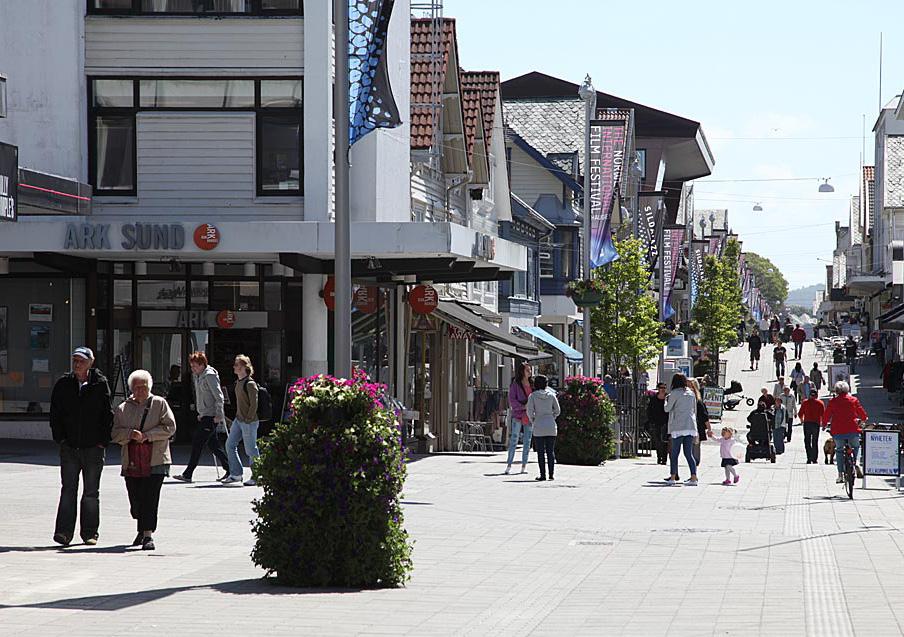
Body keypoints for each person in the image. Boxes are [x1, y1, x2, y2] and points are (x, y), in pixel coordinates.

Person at [49, 347, 113, 546]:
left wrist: (102, 441)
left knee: (91, 492)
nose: (77, 364)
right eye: (75, 360)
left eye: (81, 361)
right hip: (70, 447)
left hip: (93, 448)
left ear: (90, 363)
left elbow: (107, 415)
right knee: (68, 490)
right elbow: (55, 414)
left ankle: (90, 533)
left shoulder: (100, 384)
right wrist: (60, 438)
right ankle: (63, 533)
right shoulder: (63, 384)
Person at [110, 370, 176, 551]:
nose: (141, 390)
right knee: (136, 500)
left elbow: (170, 427)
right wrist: (130, 434)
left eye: (144, 387)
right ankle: (141, 526)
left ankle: (148, 535)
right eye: (137, 387)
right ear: (131, 389)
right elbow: (115, 434)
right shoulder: (123, 408)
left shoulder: (159, 404)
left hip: (156, 460)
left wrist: (147, 436)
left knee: (150, 498)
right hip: (131, 461)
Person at [173, 351, 230, 483]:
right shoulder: (198, 376)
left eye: (195, 366)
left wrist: (219, 415)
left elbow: (219, 396)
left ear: (202, 364)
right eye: (192, 366)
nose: (193, 369)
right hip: (205, 415)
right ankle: (230, 469)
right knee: (214, 445)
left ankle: (188, 474)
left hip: (211, 416)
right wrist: (201, 413)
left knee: (197, 443)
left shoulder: (209, 376)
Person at [223, 354, 261, 486]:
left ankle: (257, 475)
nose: (234, 367)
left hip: (248, 421)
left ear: (245, 367)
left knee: (251, 449)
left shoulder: (250, 384)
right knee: (230, 444)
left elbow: (254, 404)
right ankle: (236, 474)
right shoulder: (238, 383)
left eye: (237, 365)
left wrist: (248, 418)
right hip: (239, 420)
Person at [821, 380, 867, 482]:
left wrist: (824, 425)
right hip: (852, 428)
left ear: (836, 391)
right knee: (856, 446)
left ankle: (840, 475)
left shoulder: (833, 402)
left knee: (839, 450)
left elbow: (827, 415)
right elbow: (862, 413)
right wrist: (864, 419)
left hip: (838, 431)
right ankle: (857, 462)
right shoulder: (853, 400)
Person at [664, 373, 699, 486]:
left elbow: (667, 409)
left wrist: (666, 400)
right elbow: (694, 410)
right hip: (690, 425)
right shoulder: (691, 393)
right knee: (688, 453)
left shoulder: (674, 393)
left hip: (678, 425)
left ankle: (673, 477)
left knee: (674, 453)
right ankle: (694, 477)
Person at [526, 374, 560, 482]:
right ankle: (551, 474)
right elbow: (558, 410)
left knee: (540, 452)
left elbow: (529, 411)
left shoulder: (532, 396)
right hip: (550, 425)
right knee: (550, 451)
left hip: (539, 426)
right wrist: (552, 417)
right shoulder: (551, 395)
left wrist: (534, 420)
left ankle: (542, 475)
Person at [505, 361, 533, 475]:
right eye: (527, 370)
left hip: (529, 416)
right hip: (518, 415)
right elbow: (512, 400)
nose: (529, 372)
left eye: (530, 370)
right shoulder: (515, 384)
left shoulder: (533, 384)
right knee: (514, 440)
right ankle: (509, 465)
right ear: (522, 371)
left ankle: (524, 465)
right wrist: (523, 406)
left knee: (527, 441)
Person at [689, 378, 713, 466]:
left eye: (691, 386)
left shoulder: (698, 402)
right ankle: (692, 460)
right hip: (688, 425)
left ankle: (695, 461)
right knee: (690, 444)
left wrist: (709, 429)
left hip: (697, 426)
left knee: (695, 444)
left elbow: (704, 416)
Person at [798, 391, 825, 464]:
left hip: (807, 423)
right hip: (816, 424)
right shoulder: (820, 403)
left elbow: (800, 413)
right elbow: (823, 415)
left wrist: (802, 421)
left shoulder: (805, 402)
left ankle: (809, 458)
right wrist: (823, 423)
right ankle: (814, 458)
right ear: (816, 395)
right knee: (815, 441)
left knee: (807, 441)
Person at [646, 382, 669, 465]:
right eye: (661, 388)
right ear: (658, 389)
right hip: (656, 422)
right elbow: (649, 410)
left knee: (665, 441)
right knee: (657, 441)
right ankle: (659, 457)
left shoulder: (668, 398)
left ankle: (664, 459)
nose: (663, 389)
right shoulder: (654, 398)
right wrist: (650, 420)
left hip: (666, 422)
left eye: (664, 388)